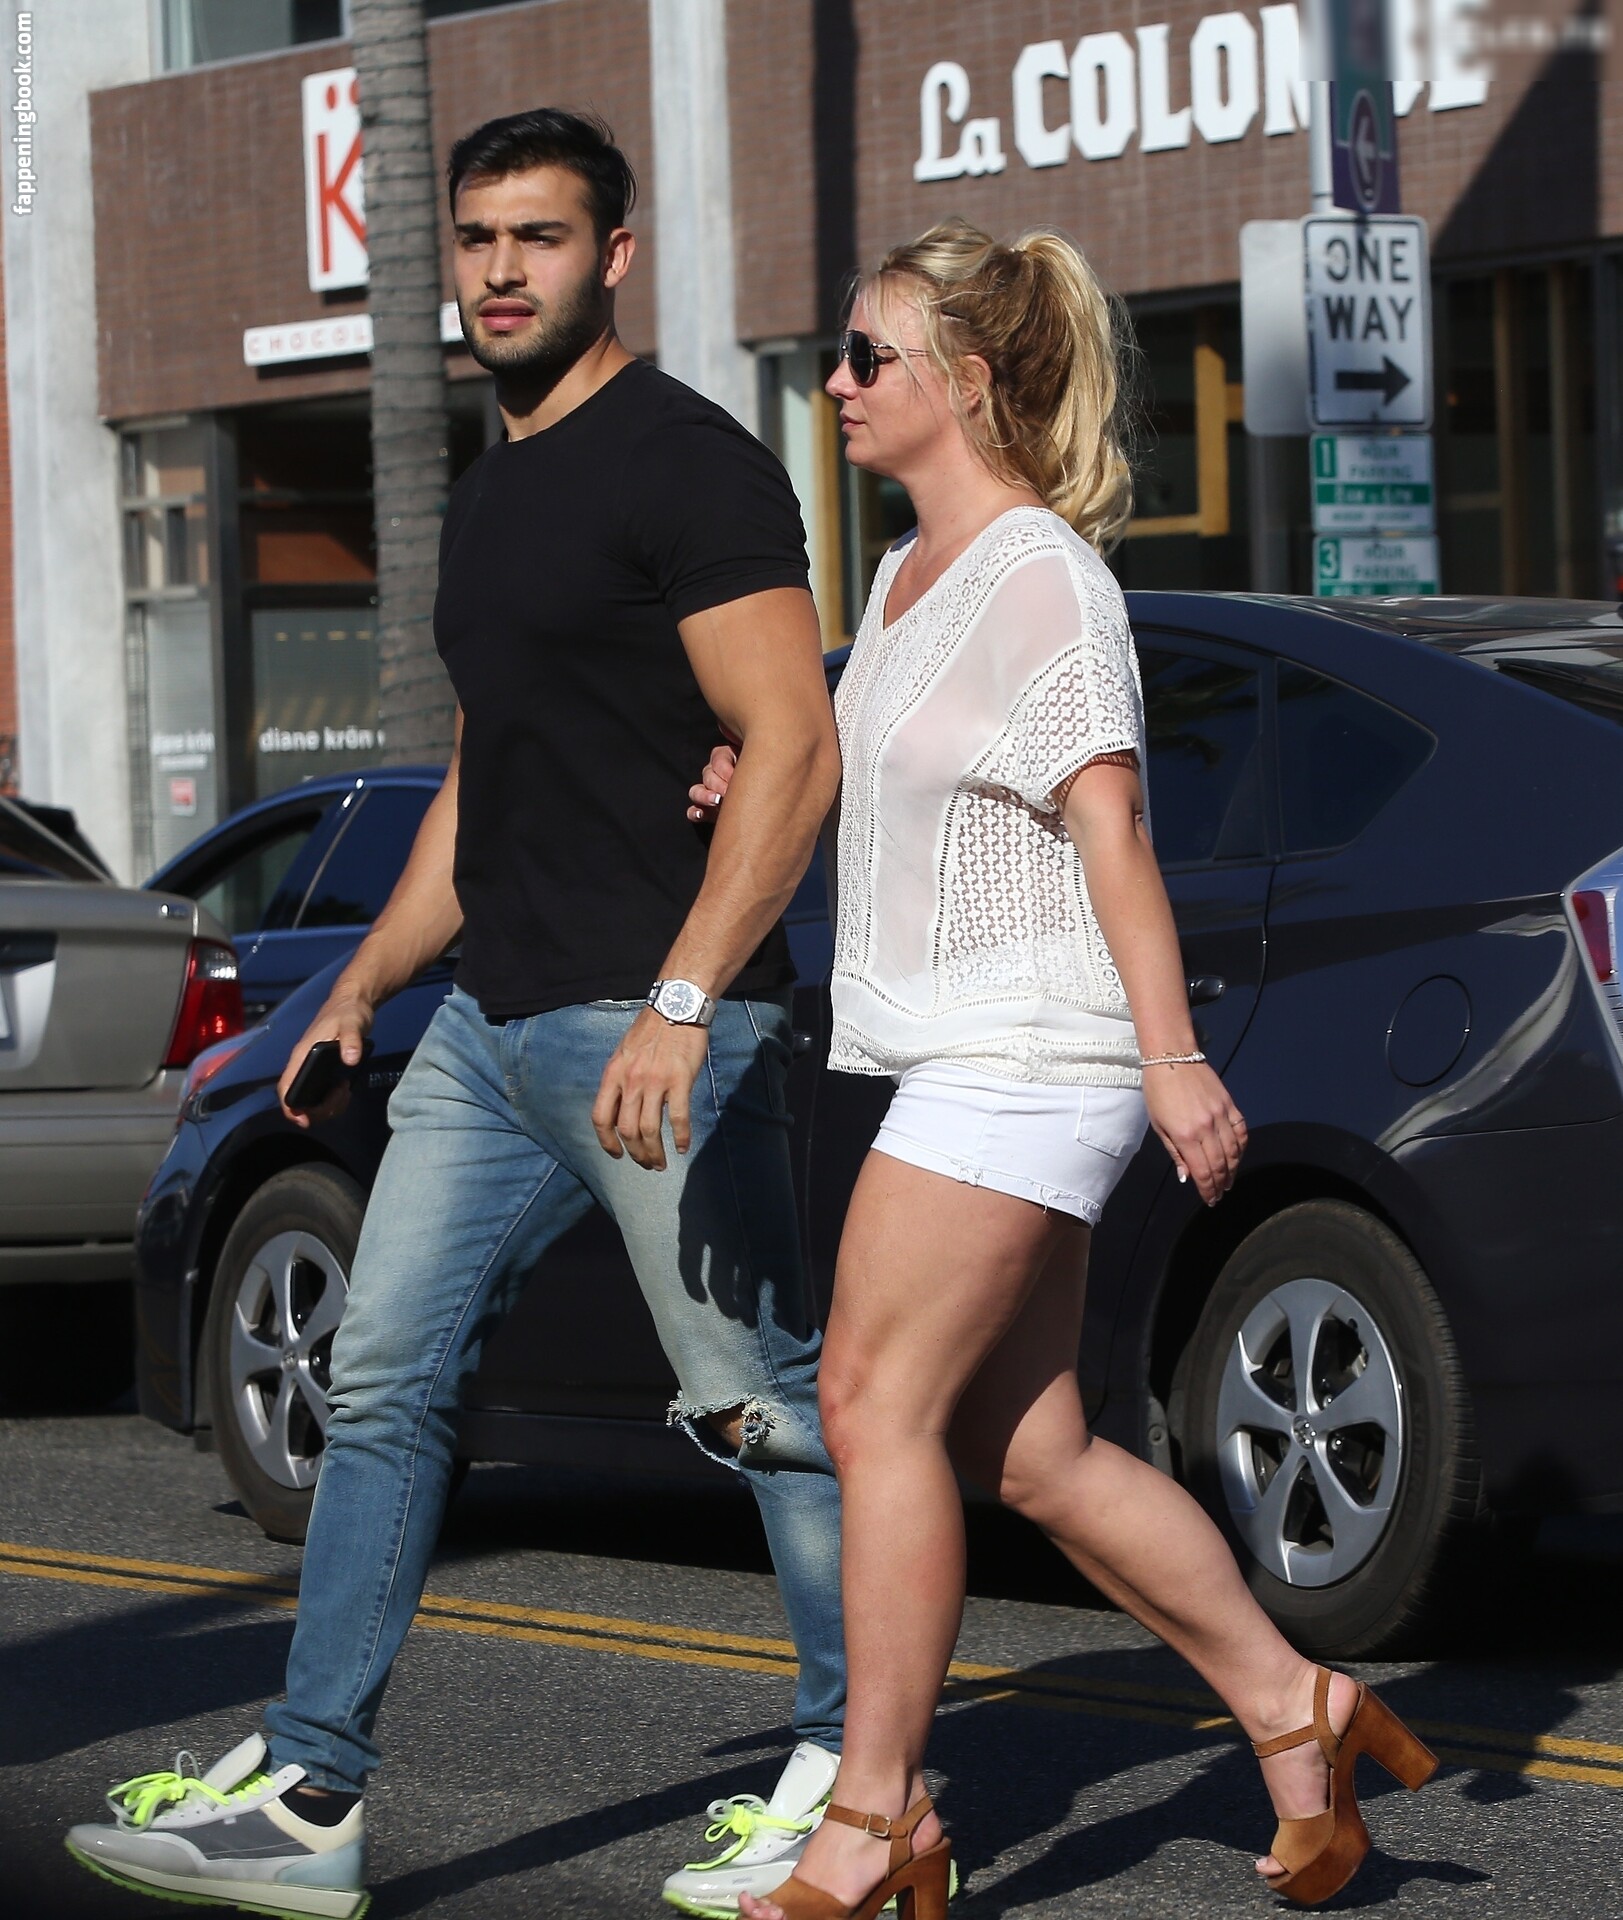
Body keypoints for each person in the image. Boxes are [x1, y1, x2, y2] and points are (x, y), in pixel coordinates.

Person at [66, 109, 848, 1920]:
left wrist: (682, 1001)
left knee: (759, 1409)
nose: (500, 271)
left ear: (613, 256)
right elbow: (483, 779)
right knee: (380, 1383)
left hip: (667, 1030)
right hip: (490, 1035)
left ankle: (852, 1776)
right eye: (478, 239)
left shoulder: (690, 463)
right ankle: (313, 1797)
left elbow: (793, 745)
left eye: (539, 238)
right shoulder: (493, 490)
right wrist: (358, 984)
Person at [688, 219, 1437, 1920]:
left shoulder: (1046, 580)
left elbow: (1114, 835)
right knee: (1034, 1455)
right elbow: (899, 795)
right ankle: (1295, 1708)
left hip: (1032, 1048)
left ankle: (877, 1817)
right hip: (958, 1045)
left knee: (872, 1403)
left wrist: (1175, 1061)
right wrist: (758, 783)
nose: (838, 383)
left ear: (964, 382)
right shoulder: (905, 578)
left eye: (867, 356)